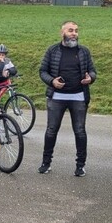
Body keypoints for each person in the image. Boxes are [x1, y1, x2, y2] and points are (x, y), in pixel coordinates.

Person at [38, 21, 96, 176]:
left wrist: (90, 78)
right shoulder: (52, 50)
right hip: (56, 97)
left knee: (80, 131)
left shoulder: (84, 51)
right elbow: (43, 71)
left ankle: (80, 165)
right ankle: (46, 162)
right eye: (70, 30)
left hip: (78, 97)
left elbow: (92, 71)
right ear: (62, 32)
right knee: (51, 131)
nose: (74, 33)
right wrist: (52, 81)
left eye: (76, 30)